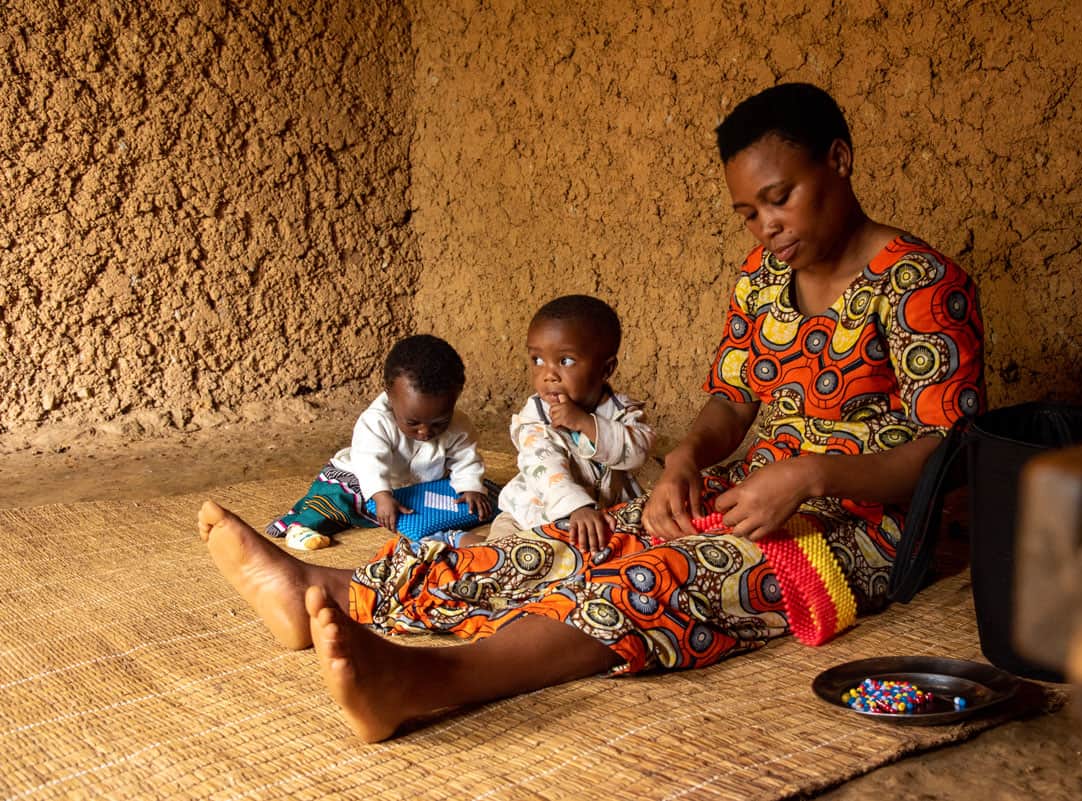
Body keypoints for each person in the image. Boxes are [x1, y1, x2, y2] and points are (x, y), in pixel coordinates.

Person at [199, 82, 984, 742]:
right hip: (750, 487)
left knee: (663, 573)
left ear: (839, 161)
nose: (765, 225)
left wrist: (809, 475)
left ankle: (432, 678)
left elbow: (949, 449)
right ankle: (333, 593)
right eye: (748, 212)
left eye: (779, 199)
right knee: (575, 541)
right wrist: (683, 462)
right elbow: (734, 398)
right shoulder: (760, 281)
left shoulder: (920, 284)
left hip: (865, 526)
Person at [265, 334, 492, 549]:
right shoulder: (375, 421)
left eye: (439, 423)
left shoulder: (459, 424)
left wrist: (470, 486)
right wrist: (381, 495)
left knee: (474, 496)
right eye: (413, 422)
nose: (425, 432)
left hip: (416, 487)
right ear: (390, 395)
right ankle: (300, 526)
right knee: (342, 500)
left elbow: (466, 458)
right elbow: (370, 464)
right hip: (361, 477)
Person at [482, 294, 655, 552]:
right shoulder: (534, 418)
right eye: (537, 360)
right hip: (530, 517)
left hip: (602, 517)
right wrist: (577, 507)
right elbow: (544, 462)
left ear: (606, 369)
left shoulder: (622, 412)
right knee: (496, 554)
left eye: (565, 361)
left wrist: (587, 424)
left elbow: (637, 453)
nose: (548, 374)